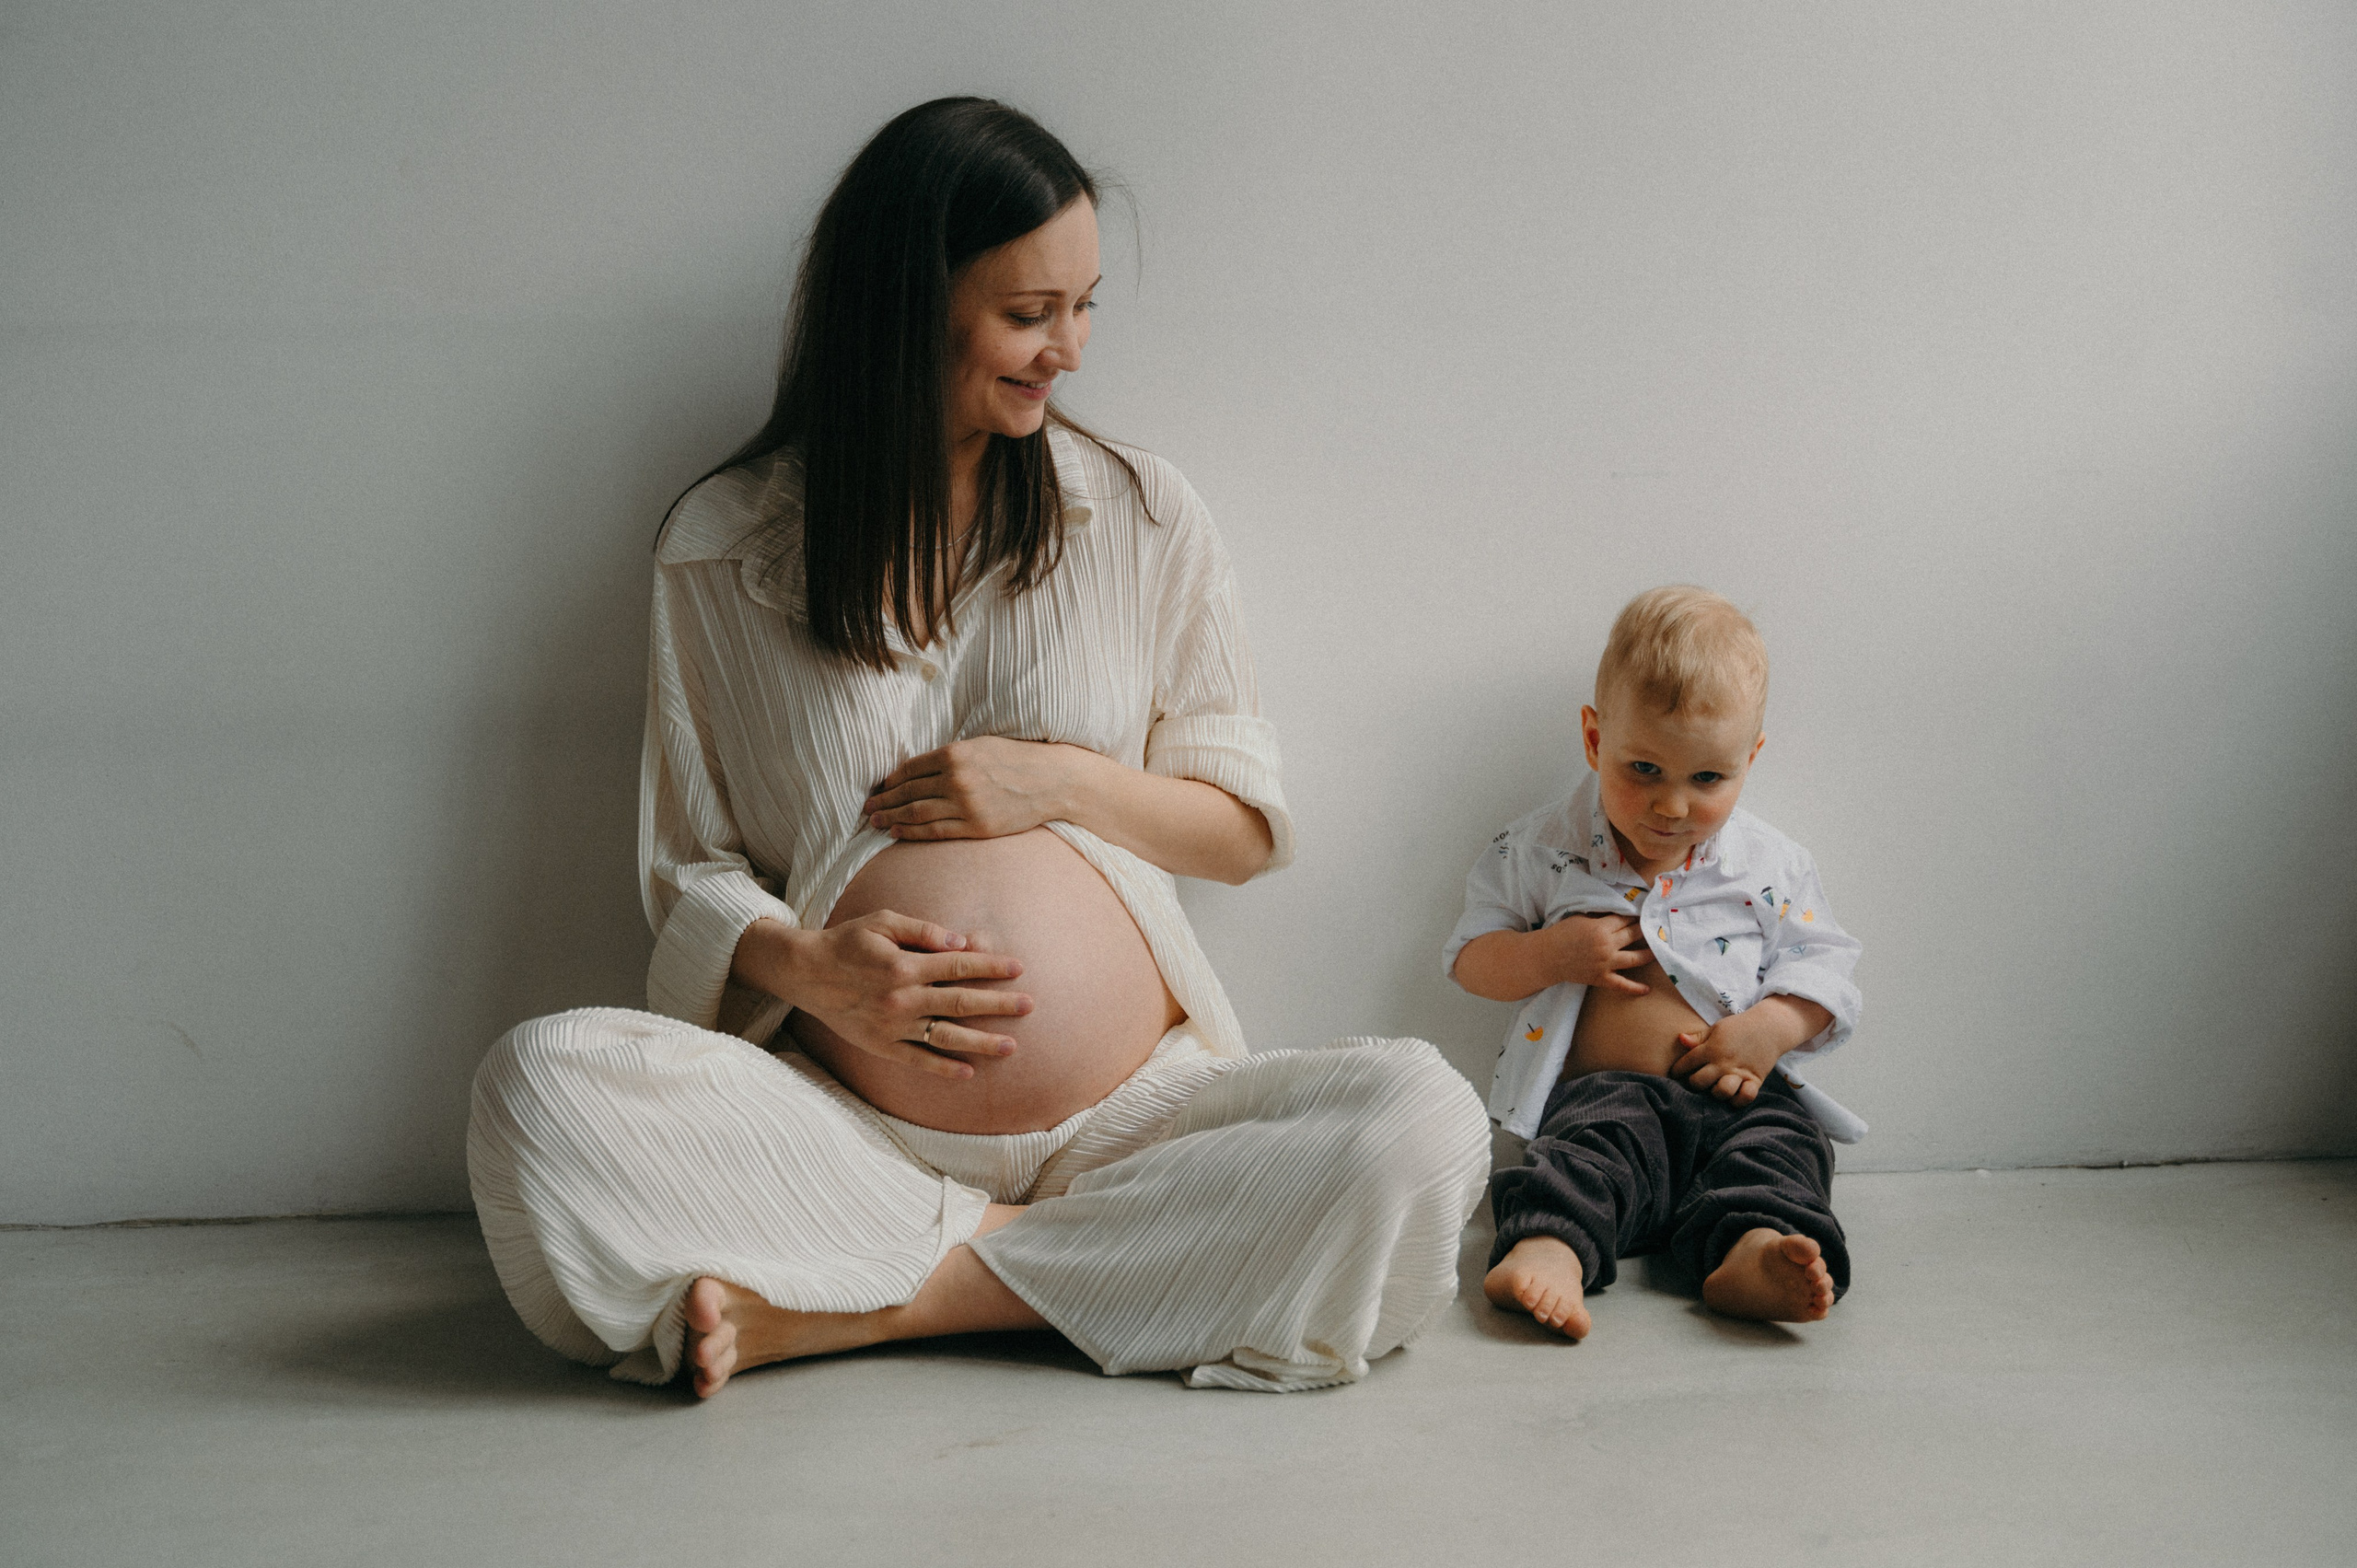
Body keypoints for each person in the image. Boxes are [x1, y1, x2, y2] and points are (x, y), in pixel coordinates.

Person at [467, 97, 1490, 1397]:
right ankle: (1100, 1276)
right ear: (906, 309)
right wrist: (816, 968)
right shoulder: (721, 548)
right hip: (840, 1125)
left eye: (1086, 306)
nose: (1067, 348)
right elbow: (687, 865)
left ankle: (865, 1303)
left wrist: (1063, 781)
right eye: (1027, 313)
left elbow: (1238, 828)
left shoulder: (1141, 515)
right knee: (536, 1094)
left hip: (1136, 1121)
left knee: (1425, 1125)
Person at [1444, 586, 1865, 1340]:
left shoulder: (1770, 865)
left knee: (1788, 1148)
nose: (1671, 806)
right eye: (1643, 768)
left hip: (1740, 1096)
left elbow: (1827, 971)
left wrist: (1769, 1028)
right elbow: (1472, 960)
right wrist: (1548, 953)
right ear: (1594, 738)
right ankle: (1548, 1249)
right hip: (1610, 1097)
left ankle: (1752, 1250)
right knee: (1579, 1159)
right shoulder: (1542, 850)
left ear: (1750, 758)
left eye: (1708, 779)